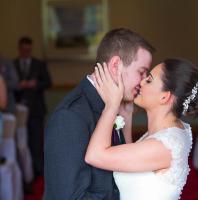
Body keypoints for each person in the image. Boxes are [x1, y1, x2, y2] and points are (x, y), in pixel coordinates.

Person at [44, 28, 154, 199]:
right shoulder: (70, 116)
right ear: (116, 65)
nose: (144, 80)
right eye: (141, 72)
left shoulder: (115, 105)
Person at [85, 58, 198, 200]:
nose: (141, 82)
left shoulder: (164, 146)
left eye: (149, 80)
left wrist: (111, 106)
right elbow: (132, 158)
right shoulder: (169, 132)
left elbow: (95, 156)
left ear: (164, 96)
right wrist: (126, 112)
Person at [14, 36, 52, 178]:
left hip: (36, 108)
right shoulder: (13, 64)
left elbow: (48, 82)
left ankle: (38, 171)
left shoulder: (39, 64)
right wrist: (19, 85)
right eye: (23, 50)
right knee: (21, 142)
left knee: (36, 142)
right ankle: (24, 173)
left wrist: (35, 84)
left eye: (28, 50)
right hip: (18, 109)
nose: (26, 52)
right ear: (19, 49)